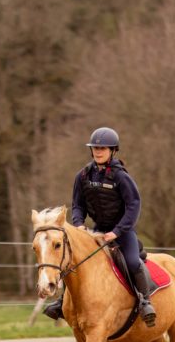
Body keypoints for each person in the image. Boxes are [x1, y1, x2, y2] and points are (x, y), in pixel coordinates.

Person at [43, 127, 156, 326]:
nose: (98, 151)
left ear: (113, 150)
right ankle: (62, 302)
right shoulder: (83, 176)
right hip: (96, 230)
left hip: (123, 230)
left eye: (102, 148)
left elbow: (133, 206)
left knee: (131, 262)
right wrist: (79, 225)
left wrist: (117, 232)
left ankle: (145, 301)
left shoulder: (121, 177)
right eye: (95, 148)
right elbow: (77, 205)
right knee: (75, 262)